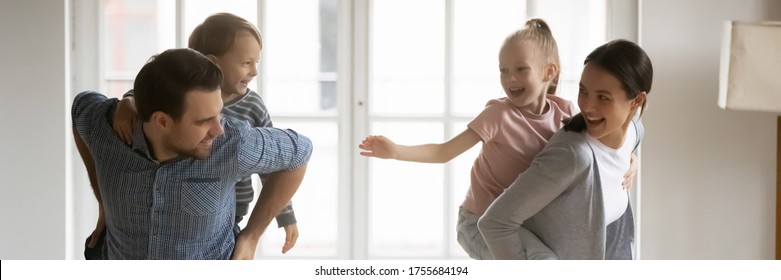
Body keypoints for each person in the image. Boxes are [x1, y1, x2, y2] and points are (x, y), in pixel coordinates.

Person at [359, 19, 635, 259]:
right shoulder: (498, 115)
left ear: (548, 72)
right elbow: (444, 152)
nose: (510, 78)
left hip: (522, 224)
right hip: (478, 223)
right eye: (503, 70)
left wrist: (631, 159)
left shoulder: (565, 110)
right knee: (544, 263)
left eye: (520, 69)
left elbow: (605, 141)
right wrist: (395, 151)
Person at [72, 47, 312, 259]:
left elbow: (300, 151)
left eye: (218, 114)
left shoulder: (233, 143)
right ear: (162, 121)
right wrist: (103, 200)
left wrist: (251, 237)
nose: (218, 129)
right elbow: (80, 105)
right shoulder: (105, 128)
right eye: (204, 121)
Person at [478, 39, 652, 260]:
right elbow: (495, 223)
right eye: (583, 91)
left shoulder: (634, 129)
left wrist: (631, 159)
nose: (587, 106)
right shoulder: (571, 156)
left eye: (603, 98)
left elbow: (629, 141)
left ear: (636, 101)